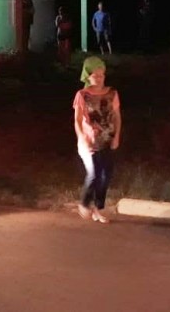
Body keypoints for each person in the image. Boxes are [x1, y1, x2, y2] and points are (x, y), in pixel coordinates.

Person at [73, 56, 122, 223]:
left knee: (106, 176)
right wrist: (82, 138)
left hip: (107, 140)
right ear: (88, 76)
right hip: (88, 142)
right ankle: (84, 203)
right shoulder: (82, 95)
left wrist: (116, 137)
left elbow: (117, 117)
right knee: (94, 173)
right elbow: (77, 120)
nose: (100, 78)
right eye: (96, 75)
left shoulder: (112, 93)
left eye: (102, 75)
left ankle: (98, 208)